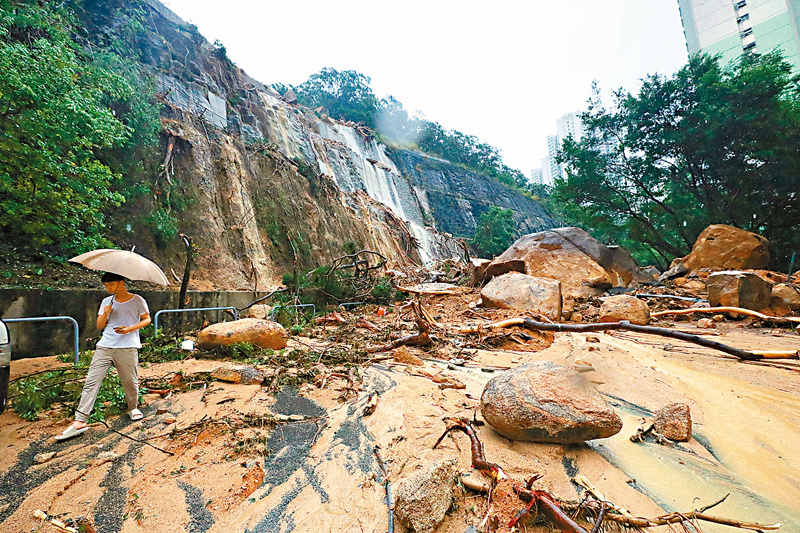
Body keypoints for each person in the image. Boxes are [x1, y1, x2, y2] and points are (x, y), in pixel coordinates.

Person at [55, 272, 151, 441]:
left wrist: (130, 329)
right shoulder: (107, 301)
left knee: (130, 381)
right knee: (91, 381)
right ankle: (80, 420)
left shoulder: (137, 300)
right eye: (106, 286)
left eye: (111, 285)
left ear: (121, 283)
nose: (108, 288)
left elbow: (147, 319)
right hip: (105, 346)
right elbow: (100, 325)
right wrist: (106, 313)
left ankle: (133, 408)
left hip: (128, 346)